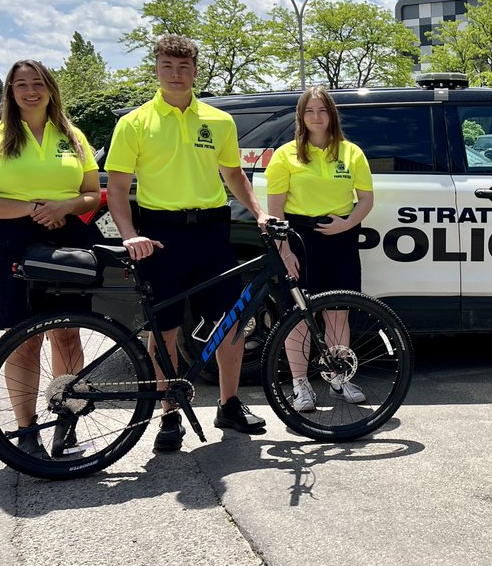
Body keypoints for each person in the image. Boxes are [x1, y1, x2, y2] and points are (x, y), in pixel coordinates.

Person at [105, 34, 276, 452]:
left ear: (195, 71)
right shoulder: (135, 122)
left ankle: (229, 404)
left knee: (230, 322)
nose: (176, 74)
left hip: (211, 230)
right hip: (160, 233)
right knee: (164, 329)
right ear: (158, 70)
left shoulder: (218, 120)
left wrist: (258, 212)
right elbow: (118, 186)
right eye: (167, 66)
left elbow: (234, 174)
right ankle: (169, 413)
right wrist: (130, 235)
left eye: (183, 67)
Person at [0, 59, 101, 459]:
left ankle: (66, 420)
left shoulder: (72, 135)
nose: (30, 90)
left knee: (68, 332)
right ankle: (27, 431)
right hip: (11, 240)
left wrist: (66, 205)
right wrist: (32, 207)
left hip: (68, 237)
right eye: (21, 84)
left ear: (51, 89)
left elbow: (92, 193)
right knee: (23, 339)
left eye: (38, 83)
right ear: (11, 92)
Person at [265, 86, 374, 411]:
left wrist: (347, 223)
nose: (316, 117)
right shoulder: (285, 155)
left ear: (331, 115)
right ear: (301, 116)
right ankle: (301, 386)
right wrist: (284, 251)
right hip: (298, 239)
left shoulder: (351, 152)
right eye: (309, 111)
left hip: (341, 238)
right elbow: (275, 210)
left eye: (322, 110)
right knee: (298, 316)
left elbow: (366, 199)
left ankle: (338, 377)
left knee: (338, 312)